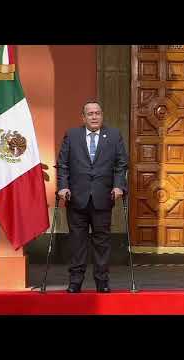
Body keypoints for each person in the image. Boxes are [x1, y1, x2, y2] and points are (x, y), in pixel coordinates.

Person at [57, 101, 128, 293]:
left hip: (103, 197)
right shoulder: (72, 135)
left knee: (102, 243)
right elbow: (62, 164)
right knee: (77, 242)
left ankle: (102, 281)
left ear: (102, 115)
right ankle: (75, 281)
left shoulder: (113, 135)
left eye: (97, 113)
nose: (94, 117)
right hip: (76, 198)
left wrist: (118, 185)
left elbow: (121, 164)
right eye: (90, 114)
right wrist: (63, 187)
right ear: (83, 117)